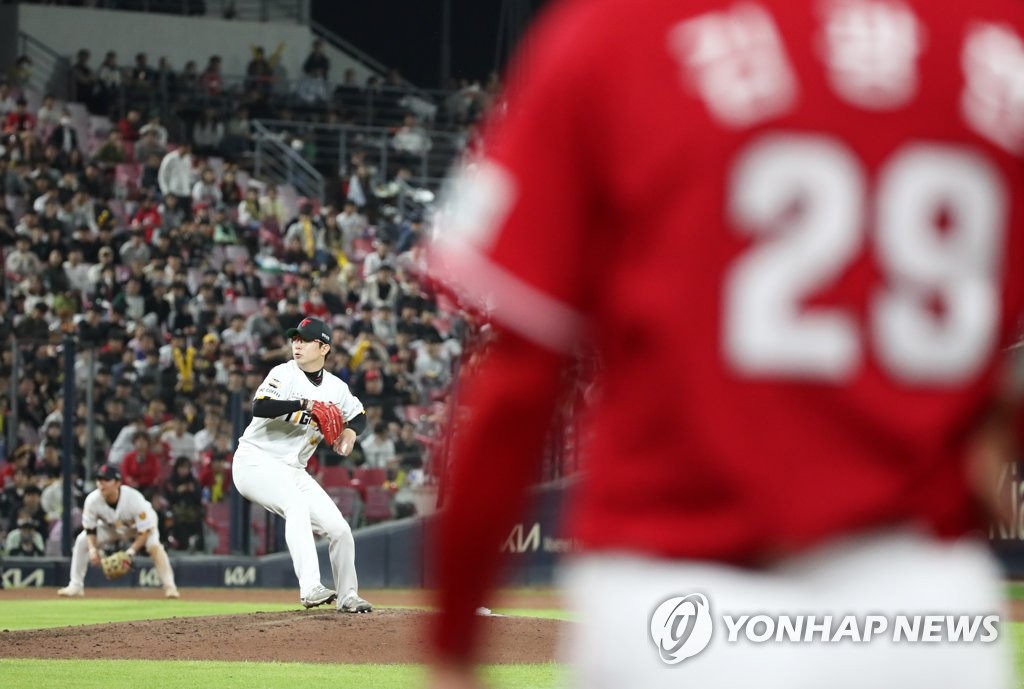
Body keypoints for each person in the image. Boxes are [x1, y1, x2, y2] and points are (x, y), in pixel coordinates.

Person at [425, 1, 1024, 688]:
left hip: (671, 609)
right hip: (919, 613)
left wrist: (453, 646)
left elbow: (517, 381)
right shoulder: (995, 39)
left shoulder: (621, 29)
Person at [232, 317, 373, 612]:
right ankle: (310, 588)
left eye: (305, 340)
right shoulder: (284, 374)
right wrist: (304, 405)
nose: (297, 344)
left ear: (323, 348)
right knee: (295, 504)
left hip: (293, 470)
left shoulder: (336, 387)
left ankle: (348, 597)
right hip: (254, 462)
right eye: (295, 338)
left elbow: (359, 415)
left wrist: (350, 432)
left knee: (340, 530)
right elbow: (260, 406)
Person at [58, 463, 179, 598]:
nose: (101, 484)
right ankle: (75, 585)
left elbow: (144, 531)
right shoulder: (92, 500)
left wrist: (130, 552)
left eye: (106, 480)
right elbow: (90, 529)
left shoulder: (134, 499)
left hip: (140, 528)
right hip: (112, 527)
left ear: (117, 483)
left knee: (154, 547)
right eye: (99, 480)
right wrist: (92, 550)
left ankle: (170, 587)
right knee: (82, 541)